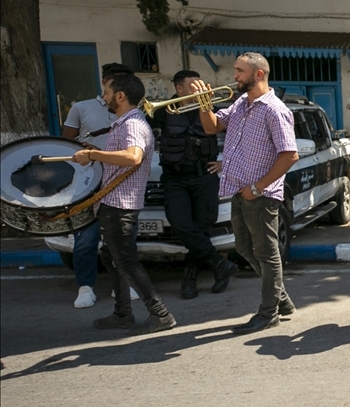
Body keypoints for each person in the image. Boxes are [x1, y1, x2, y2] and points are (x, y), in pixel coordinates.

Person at [194, 53, 299, 334]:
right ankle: (281, 300)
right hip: (240, 190)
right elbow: (211, 126)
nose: (235, 76)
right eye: (235, 70)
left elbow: (290, 155)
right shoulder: (241, 103)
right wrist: (204, 104)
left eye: (240, 71)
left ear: (259, 74)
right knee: (243, 248)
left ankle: (268, 313)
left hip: (261, 194)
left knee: (266, 254)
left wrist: (257, 187)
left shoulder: (275, 110)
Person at [71, 73, 176, 335]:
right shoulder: (124, 123)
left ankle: (160, 314)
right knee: (112, 256)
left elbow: (132, 157)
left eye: (106, 92)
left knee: (126, 261)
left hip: (120, 204)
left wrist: (93, 154)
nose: (103, 97)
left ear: (120, 96)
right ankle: (123, 313)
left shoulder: (132, 125)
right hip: (114, 203)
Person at [148, 70, 237, 299]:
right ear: (179, 89)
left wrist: (224, 162)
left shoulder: (212, 109)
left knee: (203, 228)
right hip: (175, 178)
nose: (200, 88)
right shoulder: (163, 112)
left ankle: (190, 277)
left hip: (204, 177)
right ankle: (219, 264)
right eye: (194, 85)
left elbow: (239, 137)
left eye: (201, 83)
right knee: (180, 224)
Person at [62, 62, 135, 308]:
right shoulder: (81, 108)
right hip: (87, 182)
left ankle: (123, 286)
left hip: (120, 181)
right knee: (86, 238)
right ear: (106, 83)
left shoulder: (133, 113)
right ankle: (85, 287)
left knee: (123, 238)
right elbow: (66, 144)